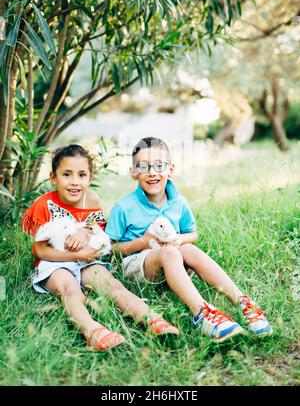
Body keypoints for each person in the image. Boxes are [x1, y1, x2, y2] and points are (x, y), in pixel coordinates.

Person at [105, 137, 273, 343]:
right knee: (170, 252)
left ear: (171, 169)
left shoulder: (178, 202)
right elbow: (110, 249)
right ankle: (202, 313)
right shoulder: (124, 206)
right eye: (143, 166)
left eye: (159, 165)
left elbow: (192, 235)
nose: (152, 172)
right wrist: (144, 242)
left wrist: (177, 239)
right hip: (138, 265)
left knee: (187, 249)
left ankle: (243, 302)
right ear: (133, 172)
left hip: (174, 259)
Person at [22, 144, 179, 352]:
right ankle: (93, 332)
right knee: (70, 290)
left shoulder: (91, 199)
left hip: (87, 260)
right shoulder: (44, 204)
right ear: (53, 178)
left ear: (90, 177)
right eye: (67, 175)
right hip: (55, 263)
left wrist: (84, 231)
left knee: (112, 285)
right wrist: (74, 254)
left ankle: (152, 319)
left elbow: (98, 230)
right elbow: (40, 251)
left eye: (81, 175)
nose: (75, 182)